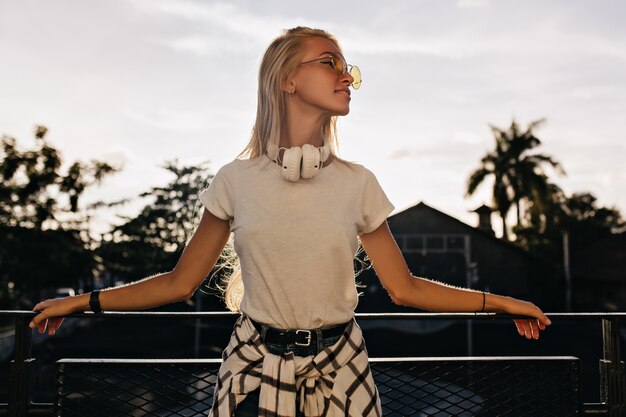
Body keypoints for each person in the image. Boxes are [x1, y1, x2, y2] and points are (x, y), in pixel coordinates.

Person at [28, 26, 551, 417]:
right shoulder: (235, 180)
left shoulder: (358, 183)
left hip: (344, 370)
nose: (347, 75)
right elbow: (178, 283)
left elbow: (406, 288)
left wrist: (502, 302)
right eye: (329, 62)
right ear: (287, 79)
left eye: (349, 68)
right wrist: (80, 301)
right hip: (253, 374)